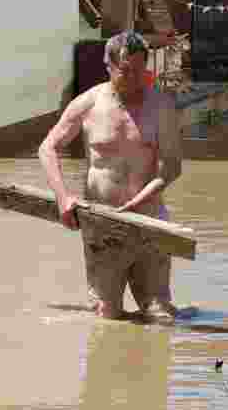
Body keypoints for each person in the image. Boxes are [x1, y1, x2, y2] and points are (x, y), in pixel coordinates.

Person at [38, 30, 185, 322]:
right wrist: (63, 198)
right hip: (102, 227)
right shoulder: (88, 103)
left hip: (149, 222)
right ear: (108, 66)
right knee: (106, 317)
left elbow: (172, 167)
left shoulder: (162, 106)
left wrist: (139, 201)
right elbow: (48, 148)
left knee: (160, 315)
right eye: (125, 71)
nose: (133, 79)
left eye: (140, 71)